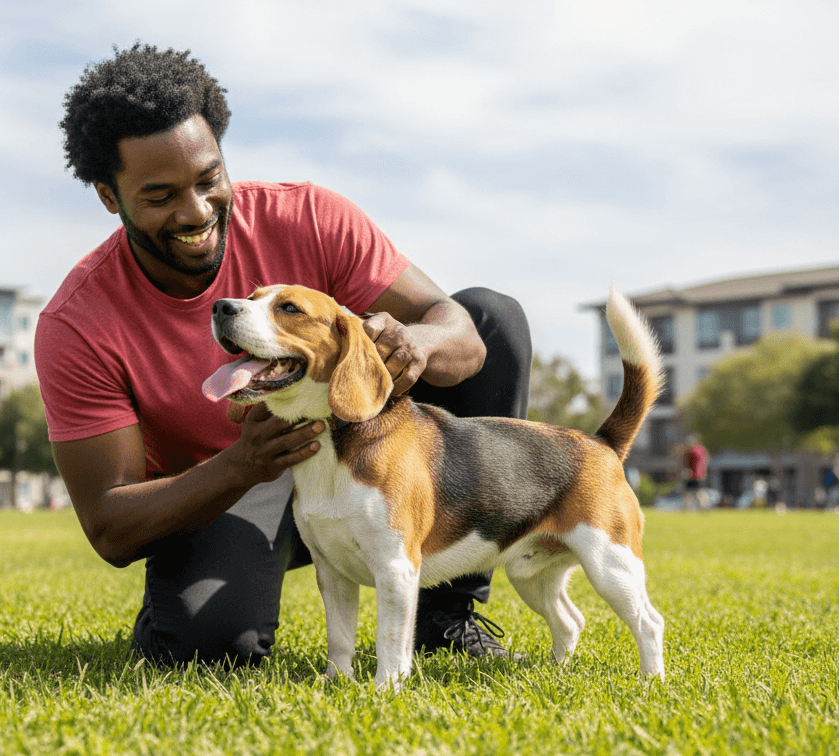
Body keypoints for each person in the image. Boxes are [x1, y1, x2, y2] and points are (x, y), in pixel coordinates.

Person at [36, 44, 533, 668]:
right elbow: (109, 525)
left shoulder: (309, 217)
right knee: (210, 648)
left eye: (209, 178)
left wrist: (419, 343)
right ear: (111, 197)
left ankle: (445, 613)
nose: (196, 212)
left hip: (366, 455)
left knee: (494, 314)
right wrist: (241, 465)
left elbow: (465, 336)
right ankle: (181, 601)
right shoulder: (77, 322)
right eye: (160, 196)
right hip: (229, 488)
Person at [680, 434, 710, 511]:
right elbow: (706, 460)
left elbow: (686, 463)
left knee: (690, 492)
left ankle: (689, 507)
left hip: (692, 475)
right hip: (700, 474)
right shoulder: (702, 449)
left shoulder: (690, 451)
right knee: (697, 491)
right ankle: (702, 506)